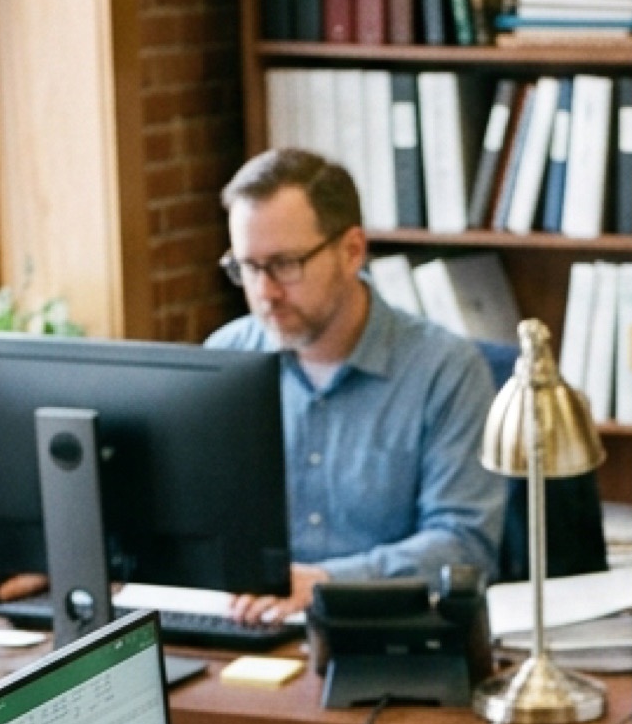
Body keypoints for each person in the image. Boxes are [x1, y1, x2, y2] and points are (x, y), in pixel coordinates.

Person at [207, 147, 507, 623]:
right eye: (248, 267)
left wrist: (325, 582)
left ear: (351, 251)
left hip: (388, 633)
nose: (265, 292)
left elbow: (463, 547)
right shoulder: (225, 361)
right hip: (257, 627)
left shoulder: (445, 370)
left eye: (285, 264)